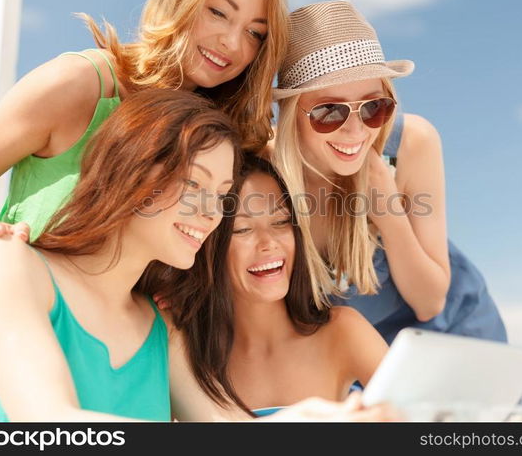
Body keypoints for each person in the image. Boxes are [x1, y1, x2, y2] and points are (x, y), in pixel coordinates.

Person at [0, 0, 288, 413]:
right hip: (17, 335)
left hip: (121, 352)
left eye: (256, 33)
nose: (231, 42)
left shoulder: (219, 136)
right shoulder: (80, 82)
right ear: (182, 0)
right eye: (218, 11)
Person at [0, 89, 394, 422]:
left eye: (219, 194)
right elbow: (52, 425)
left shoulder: (162, 329)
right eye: (194, 184)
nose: (210, 213)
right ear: (134, 173)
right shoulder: (8, 265)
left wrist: (314, 420)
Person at [272, 0, 507, 347]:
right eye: (329, 112)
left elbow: (430, 304)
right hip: (347, 357)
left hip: (455, 334)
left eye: (373, 107)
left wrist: (388, 213)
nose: (355, 132)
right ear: (291, 113)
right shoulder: (262, 172)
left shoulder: (411, 143)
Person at [153, 155, 388, 416]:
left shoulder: (342, 330)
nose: (268, 243)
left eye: (280, 222)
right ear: (209, 246)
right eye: (242, 229)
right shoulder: (186, 346)